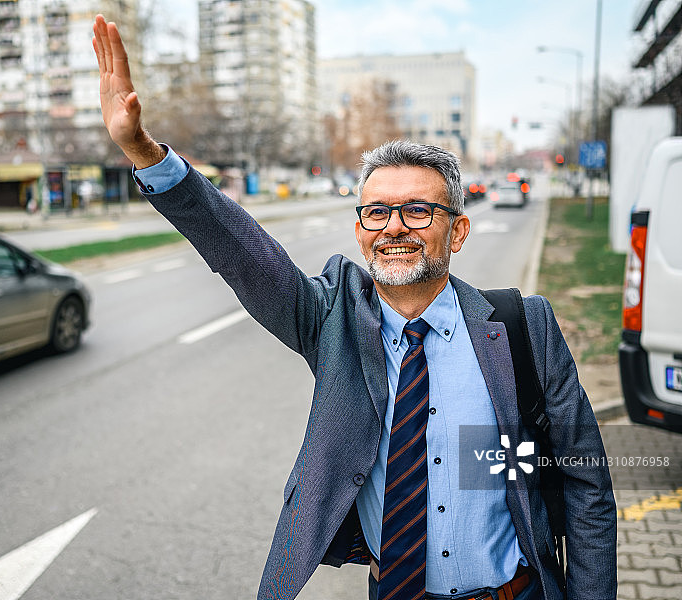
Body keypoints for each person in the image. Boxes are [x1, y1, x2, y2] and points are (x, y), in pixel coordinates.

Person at [93, 15, 616, 600]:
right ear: (361, 229)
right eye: (377, 212)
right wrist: (145, 153)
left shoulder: (522, 327)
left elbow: (585, 484)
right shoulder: (332, 320)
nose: (394, 227)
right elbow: (244, 254)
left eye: (418, 210)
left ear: (458, 231)